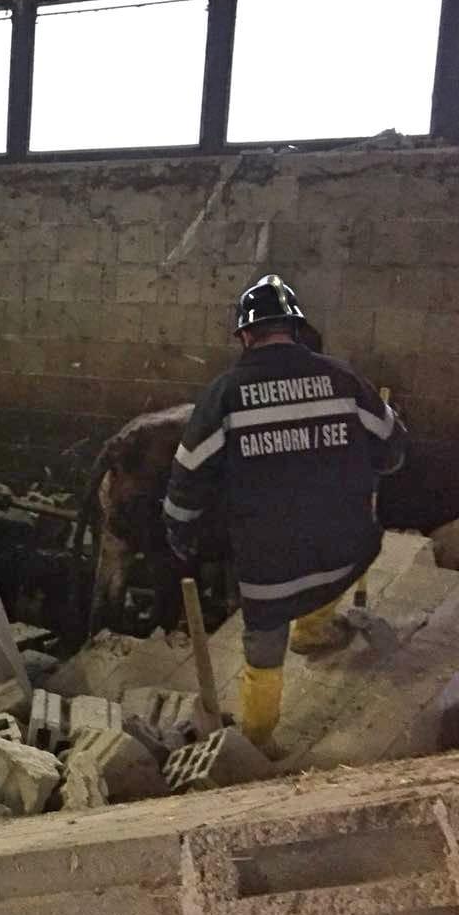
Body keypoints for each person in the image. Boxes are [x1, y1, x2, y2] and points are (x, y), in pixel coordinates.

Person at [162, 274, 407, 751]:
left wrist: (178, 530)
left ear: (245, 335)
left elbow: (188, 476)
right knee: (336, 566)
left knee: (265, 636)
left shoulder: (225, 394)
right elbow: (393, 450)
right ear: (295, 328)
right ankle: (314, 630)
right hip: (342, 544)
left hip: (269, 559)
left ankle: (258, 738)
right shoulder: (343, 378)